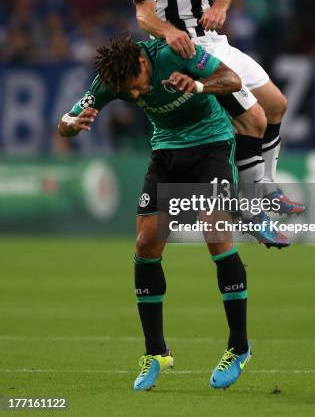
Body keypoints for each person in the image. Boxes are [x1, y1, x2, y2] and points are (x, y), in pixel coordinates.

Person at [58, 34, 263, 391]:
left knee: (215, 234)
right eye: (129, 93)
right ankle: (156, 353)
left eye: (137, 87)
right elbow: (66, 121)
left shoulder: (174, 53)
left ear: (142, 63)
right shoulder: (112, 80)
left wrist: (198, 85)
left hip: (211, 145)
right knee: (146, 243)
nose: (136, 96)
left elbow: (232, 80)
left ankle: (239, 347)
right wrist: (71, 127)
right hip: (166, 152)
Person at [128, 0, 304, 243]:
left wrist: (221, 6)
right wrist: (170, 31)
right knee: (253, 118)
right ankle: (251, 208)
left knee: (275, 106)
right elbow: (143, 13)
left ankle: (266, 188)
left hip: (214, 40)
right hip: (186, 52)